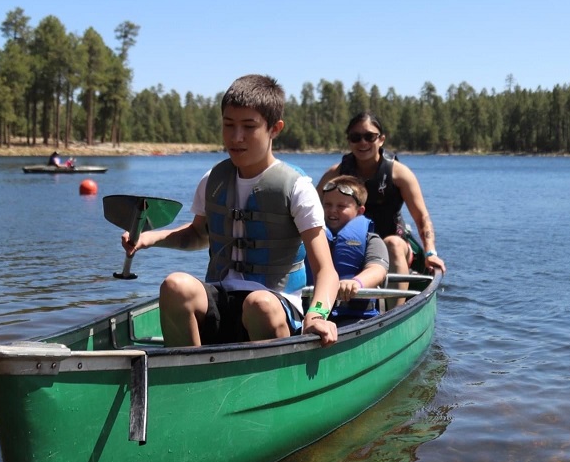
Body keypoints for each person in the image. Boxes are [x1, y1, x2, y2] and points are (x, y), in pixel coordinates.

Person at [121, 74, 339, 348]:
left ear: (275, 128)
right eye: (228, 125)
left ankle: (272, 378)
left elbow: (326, 271)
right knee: (174, 285)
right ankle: (188, 376)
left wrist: (317, 314)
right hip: (221, 297)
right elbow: (198, 235)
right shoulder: (213, 179)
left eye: (249, 127)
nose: (236, 137)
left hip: (273, 304)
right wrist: (149, 238)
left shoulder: (297, 187)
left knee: (258, 303)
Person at [316, 112, 446, 286]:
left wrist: (430, 253)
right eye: (356, 137)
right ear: (349, 141)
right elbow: (310, 211)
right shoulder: (335, 174)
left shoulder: (400, 174)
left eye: (370, 137)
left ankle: (398, 310)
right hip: (350, 243)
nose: (363, 142)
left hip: (394, 243)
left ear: (381, 139)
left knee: (391, 244)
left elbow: (422, 217)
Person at [310, 174, 390, 323]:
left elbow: (377, 270)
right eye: (327, 204)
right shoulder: (311, 236)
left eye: (341, 206)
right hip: (311, 312)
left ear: (360, 211)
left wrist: (356, 283)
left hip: (355, 318)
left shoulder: (371, 240)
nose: (332, 210)